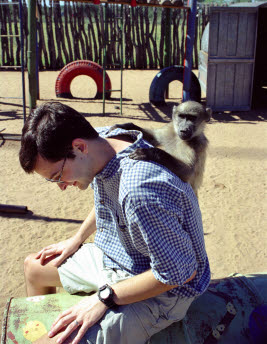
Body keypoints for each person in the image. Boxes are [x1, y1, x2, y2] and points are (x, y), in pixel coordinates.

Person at [19, 101, 210, 344]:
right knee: (34, 267)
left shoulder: (140, 190)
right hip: (118, 256)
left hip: (164, 292)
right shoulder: (102, 140)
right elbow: (109, 197)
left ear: (79, 147)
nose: (62, 187)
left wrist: (104, 297)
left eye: (58, 176)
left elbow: (180, 272)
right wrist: (76, 239)